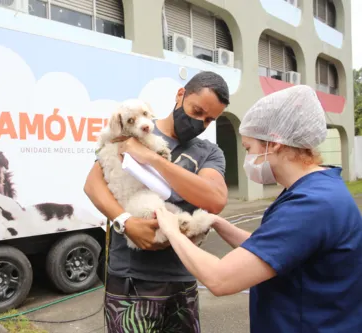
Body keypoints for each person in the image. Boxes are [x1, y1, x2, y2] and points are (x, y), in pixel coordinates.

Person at [155, 84, 362, 333]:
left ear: (274, 143)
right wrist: (219, 223)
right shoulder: (315, 190)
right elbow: (270, 249)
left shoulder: (312, 205)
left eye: (249, 149)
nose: (248, 160)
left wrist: (171, 228)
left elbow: (221, 279)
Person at [84, 71, 230, 332]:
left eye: (209, 119)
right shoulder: (127, 134)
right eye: (197, 111)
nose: (200, 122)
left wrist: (153, 159)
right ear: (180, 95)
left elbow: (215, 199)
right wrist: (125, 222)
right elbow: (93, 184)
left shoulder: (209, 152)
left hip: (183, 280)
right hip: (130, 281)